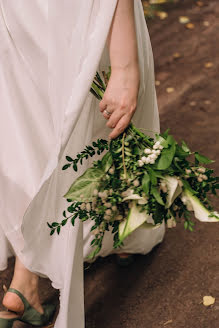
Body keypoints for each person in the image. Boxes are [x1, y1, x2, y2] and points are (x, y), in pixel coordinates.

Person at [0, 0, 165, 327]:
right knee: (98, 120)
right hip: (77, 12)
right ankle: (125, 230)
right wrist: (125, 65)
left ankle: (23, 285)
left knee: (34, 133)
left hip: (19, 12)